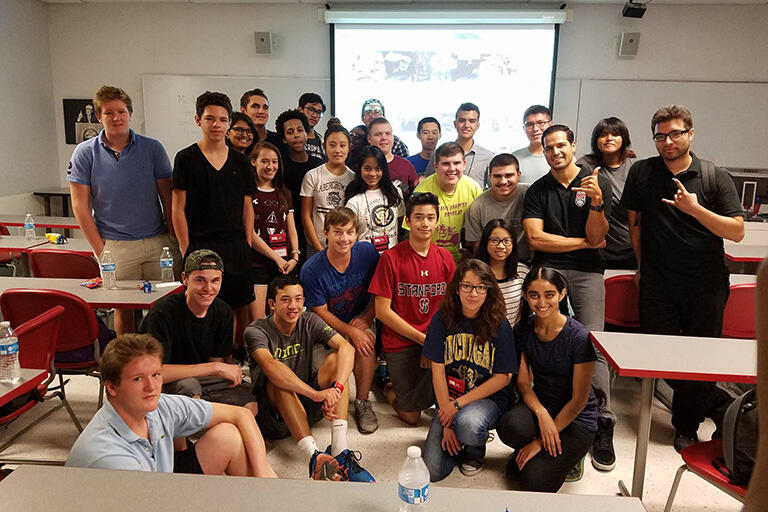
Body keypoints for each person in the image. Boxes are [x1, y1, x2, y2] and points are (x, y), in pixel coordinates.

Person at [621, 104, 743, 452]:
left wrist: (695, 209)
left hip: (705, 283)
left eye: (675, 133)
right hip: (658, 282)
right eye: (660, 136)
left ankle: (686, 426)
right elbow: (636, 223)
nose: (667, 141)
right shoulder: (643, 173)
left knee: (699, 357)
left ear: (690, 133)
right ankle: (722, 405)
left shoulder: (712, 176)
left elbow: (736, 232)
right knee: (659, 355)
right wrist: (642, 268)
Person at [522, 124, 616, 471]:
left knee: (594, 342)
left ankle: (602, 420)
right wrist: (582, 243)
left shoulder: (595, 182)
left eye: (561, 145)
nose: (555, 151)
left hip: (589, 271)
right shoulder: (538, 190)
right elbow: (537, 239)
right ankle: (551, 407)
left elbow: (599, 235)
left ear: (573, 146)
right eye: (549, 147)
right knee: (543, 337)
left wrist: (595, 204)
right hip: (549, 272)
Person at [66, 333, 276, 478]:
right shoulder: (110, 458)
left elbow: (241, 415)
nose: (151, 387)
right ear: (112, 387)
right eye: (138, 379)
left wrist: (263, 477)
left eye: (156, 375)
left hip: (160, 485)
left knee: (228, 435)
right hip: (138, 496)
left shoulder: (160, 407)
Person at [68, 85, 180, 335]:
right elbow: (80, 206)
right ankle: (128, 364)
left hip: (157, 242)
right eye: (109, 113)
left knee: (166, 307)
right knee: (124, 310)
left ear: (130, 113)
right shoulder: (85, 153)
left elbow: (168, 196)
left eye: (121, 111)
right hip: (115, 246)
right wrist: (101, 250)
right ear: (99, 117)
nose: (116, 117)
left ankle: (161, 362)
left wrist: (173, 239)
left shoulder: (152, 148)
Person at [245, 275, 375, 482]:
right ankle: (315, 458)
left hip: (307, 403)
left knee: (336, 359)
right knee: (278, 379)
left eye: (298, 299)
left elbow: (346, 348)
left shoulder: (309, 320)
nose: (293, 306)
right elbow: (269, 366)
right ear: (271, 304)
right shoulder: (255, 330)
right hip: (274, 416)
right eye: (285, 300)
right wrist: (315, 394)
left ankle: (340, 451)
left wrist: (337, 389)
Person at [496, 267, 597, 492]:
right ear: (525, 296)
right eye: (534, 295)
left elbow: (579, 401)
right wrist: (542, 414)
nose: (541, 302)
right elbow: (523, 383)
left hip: (576, 419)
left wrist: (540, 441)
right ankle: (535, 452)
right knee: (509, 425)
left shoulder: (579, 337)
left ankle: (567, 457)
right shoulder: (523, 329)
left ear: (562, 295)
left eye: (549, 294)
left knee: (534, 483)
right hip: (542, 405)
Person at [421, 259, 517, 481]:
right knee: (433, 471)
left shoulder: (499, 324)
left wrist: (457, 407)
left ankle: (474, 452)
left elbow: (503, 378)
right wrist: (446, 422)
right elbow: (438, 372)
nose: (473, 293)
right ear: (457, 288)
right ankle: (458, 438)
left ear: (488, 291)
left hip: (486, 399)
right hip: (449, 398)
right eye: (467, 286)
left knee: (469, 424)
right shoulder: (442, 319)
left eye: (480, 287)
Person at [171, 91, 256, 338]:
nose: (216, 124)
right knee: (203, 307)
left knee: (237, 308)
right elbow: (177, 208)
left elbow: (247, 208)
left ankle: (230, 360)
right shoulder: (186, 158)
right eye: (210, 119)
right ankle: (206, 362)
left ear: (229, 122)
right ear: (198, 120)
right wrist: (187, 250)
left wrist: (247, 244)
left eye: (222, 119)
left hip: (234, 244)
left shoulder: (240, 163)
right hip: (200, 244)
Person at [369, 193, 456, 425]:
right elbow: (382, 312)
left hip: (435, 339)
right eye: (418, 217)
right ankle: (385, 382)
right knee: (411, 417)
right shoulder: (391, 258)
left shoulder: (446, 258)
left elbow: (452, 306)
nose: (424, 223)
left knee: (444, 406)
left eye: (430, 217)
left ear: (437, 221)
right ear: (407, 221)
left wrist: (434, 341)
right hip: (402, 342)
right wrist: (422, 340)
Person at [138, 250, 258, 415]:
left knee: (250, 405)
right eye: (200, 280)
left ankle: (212, 431)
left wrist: (219, 369)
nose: (208, 288)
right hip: (163, 381)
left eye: (215, 281)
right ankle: (186, 433)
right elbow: (154, 372)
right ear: (185, 279)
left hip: (203, 379)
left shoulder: (223, 311)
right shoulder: (163, 312)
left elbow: (217, 361)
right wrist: (214, 367)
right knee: (190, 389)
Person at [300, 208, 381, 434]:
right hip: (325, 326)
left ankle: (363, 401)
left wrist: (366, 318)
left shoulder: (367, 253)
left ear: (356, 234)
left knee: (365, 344)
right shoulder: (312, 269)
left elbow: (380, 290)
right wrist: (349, 331)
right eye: (338, 232)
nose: (344, 239)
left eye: (349, 232)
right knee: (335, 361)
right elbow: (320, 311)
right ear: (326, 232)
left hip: (360, 317)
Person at [576, 117, 637, 269]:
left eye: (615, 134)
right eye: (603, 135)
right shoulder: (586, 165)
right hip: (598, 249)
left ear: (624, 138)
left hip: (631, 250)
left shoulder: (634, 168)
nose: (609, 138)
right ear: (596, 140)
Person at [249, 141, 299, 319]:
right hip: (258, 265)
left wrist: (295, 256)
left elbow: (291, 228)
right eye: (265, 161)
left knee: (284, 318)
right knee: (258, 321)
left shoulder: (284, 192)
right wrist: (275, 258)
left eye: (274, 161)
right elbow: (250, 234)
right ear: (253, 161)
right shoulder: (248, 193)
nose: (270, 166)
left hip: (284, 265)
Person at [409, 142, 482, 263]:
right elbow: (413, 235)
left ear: (464, 164)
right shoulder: (422, 192)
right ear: (436, 166)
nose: (452, 169)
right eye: (446, 164)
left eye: (457, 163)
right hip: (427, 258)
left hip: (459, 260)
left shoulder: (472, 187)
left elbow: (479, 227)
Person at [276, 109, 325, 269]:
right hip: (289, 228)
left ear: (307, 133)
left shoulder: (318, 164)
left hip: (315, 228)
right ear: (283, 138)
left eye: (300, 130)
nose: (296, 135)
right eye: (290, 132)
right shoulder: (279, 166)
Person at [465, 153, 531, 264]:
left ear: (518, 175)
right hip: (493, 264)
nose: (503, 181)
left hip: (527, 261)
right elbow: (477, 247)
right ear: (490, 177)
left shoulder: (531, 195)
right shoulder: (477, 207)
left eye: (509, 175)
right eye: (497, 176)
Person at [300, 125, 355, 257]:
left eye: (342, 145)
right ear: (324, 146)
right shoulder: (312, 176)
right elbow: (306, 215)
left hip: (344, 245)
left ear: (349, 147)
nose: (337, 150)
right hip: (316, 245)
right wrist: (319, 248)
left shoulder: (354, 178)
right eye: (332, 145)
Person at [344, 145, 404, 252]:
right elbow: (349, 235)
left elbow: (401, 225)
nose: (372, 174)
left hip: (392, 258)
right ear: (360, 169)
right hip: (364, 258)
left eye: (378, 169)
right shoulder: (354, 200)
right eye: (367, 168)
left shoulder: (395, 192)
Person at [474, 219, 529, 325]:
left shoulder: (522, 272)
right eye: (495, 240)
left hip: (511, 335)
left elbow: (523, 309)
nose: (501, 246)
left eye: (506, 241)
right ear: (486, 242)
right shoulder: (474, 271)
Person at [425, 103, 494, 188]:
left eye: (471, 121)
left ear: (477, 125)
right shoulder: (440, 153)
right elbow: (428, 183)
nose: (466, 125)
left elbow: (493, 189)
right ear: (455, 124)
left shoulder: (488, 157)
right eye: (462, 120)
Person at [367, 118, 418, 200]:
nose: (384, 138)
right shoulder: (362, 165)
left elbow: (415, 197)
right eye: (378, 134)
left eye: (388, 134)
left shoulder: (406, 166)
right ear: (369, 139)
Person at [512, 105, 553, 185]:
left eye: (541, 123)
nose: (535, 129)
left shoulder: (562, 156)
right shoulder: (514, 159)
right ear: (524, 128)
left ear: (550, 125)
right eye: (529, 124)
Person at [298, 92, 326, 161]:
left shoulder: (321, 140)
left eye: (319, 112)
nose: (315, 115)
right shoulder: (293, 137)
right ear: (300, 109)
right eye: (311, 110)